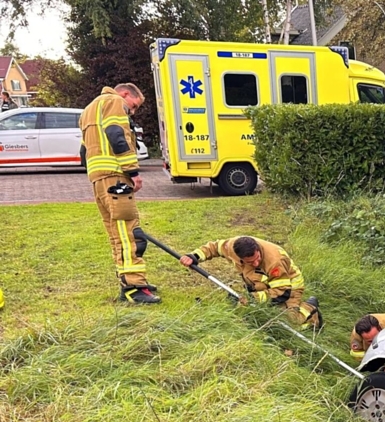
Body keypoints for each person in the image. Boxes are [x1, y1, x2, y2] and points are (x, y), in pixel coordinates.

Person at [80, 83, 158, 304]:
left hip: (99, 181)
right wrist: (133, 173)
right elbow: (116, 135)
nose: (131, 112)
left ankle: (127, 282)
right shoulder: (114, 102)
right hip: (116, 178)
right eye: (133, 106)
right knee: (129, 233)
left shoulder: (89, 110)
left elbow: (83, 150)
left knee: (116, 234)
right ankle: (135, 287)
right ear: (125, 94)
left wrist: (95, 175)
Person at [179, 236, 322, 330]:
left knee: (289, 324)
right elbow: (214, 247)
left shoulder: (274, 261)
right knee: (251, 317)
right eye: (250, 262)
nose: (255, 263)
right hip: (262, 284)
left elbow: (281, 292)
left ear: (258, 249)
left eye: (257, 258)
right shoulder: (232, 247)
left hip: (289, 287)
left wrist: (252, 298)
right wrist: (194, 256)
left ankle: (310, 308)